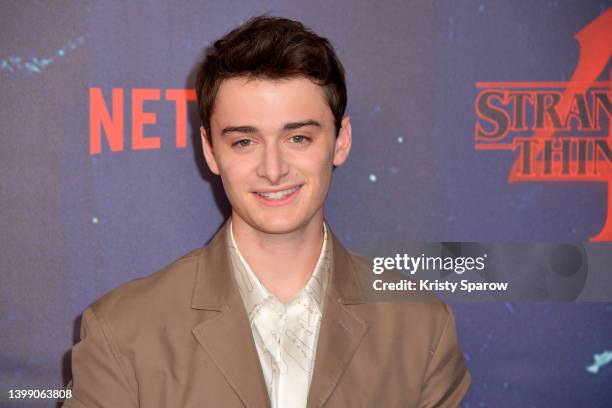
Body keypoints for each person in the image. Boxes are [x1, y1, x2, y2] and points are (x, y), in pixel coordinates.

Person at [63, 15, 471, 407]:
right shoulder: (123, 333)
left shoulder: (422, 330)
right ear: (210, 150)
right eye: (245, 142)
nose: (273, 170)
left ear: (341, 141)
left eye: (297, 138)